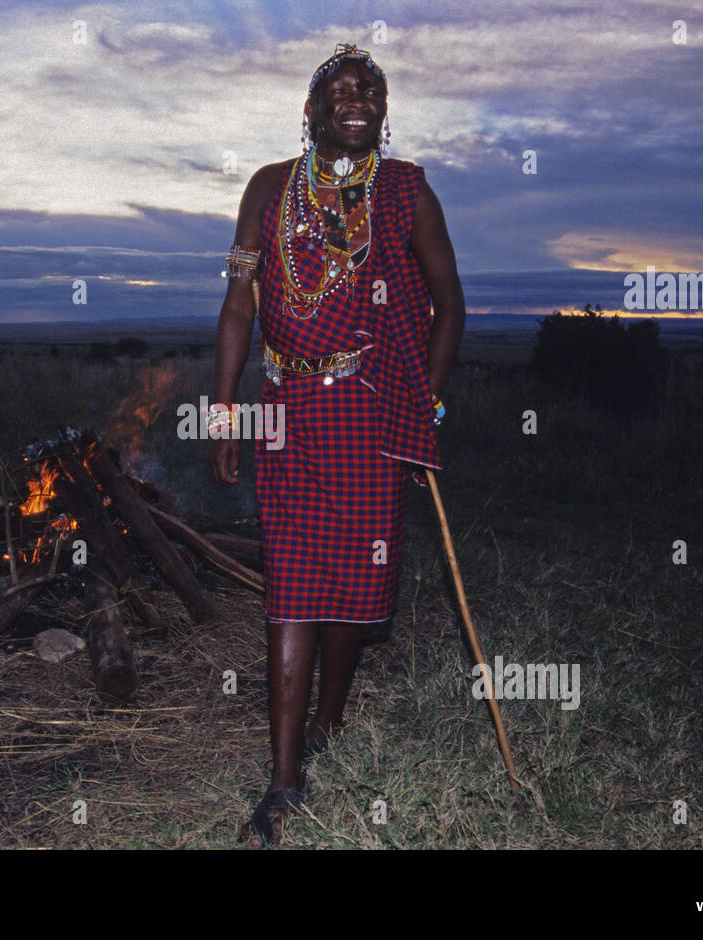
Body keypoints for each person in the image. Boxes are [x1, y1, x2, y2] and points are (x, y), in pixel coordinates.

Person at [209, 43, 466, 847]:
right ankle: (284, 782)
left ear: (383, 111)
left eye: (371, 88)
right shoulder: (268, 187)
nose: (357, 97)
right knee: (290, 581)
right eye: (340, 88)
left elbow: (451, 308)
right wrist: (226, 411)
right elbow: (238, 307)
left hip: (370, 403)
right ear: (313, 107)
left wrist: (422, 410)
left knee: (357, 579)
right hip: (284, 404)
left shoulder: (406, 192)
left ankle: (328, 721)